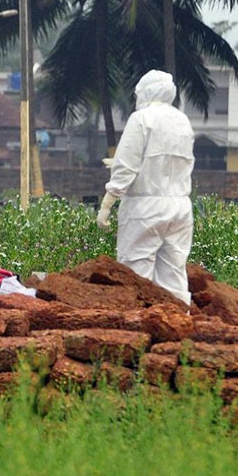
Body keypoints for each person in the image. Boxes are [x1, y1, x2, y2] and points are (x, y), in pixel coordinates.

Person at [96, 69, 195, 305]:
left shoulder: (142, 118)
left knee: (134, 273)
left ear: (144, 91)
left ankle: (136, 330)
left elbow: (126, 165)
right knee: (173, 274)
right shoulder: (182, 120)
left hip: (145, 207)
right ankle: (178, 327)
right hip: (180, 206)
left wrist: (107, 203)